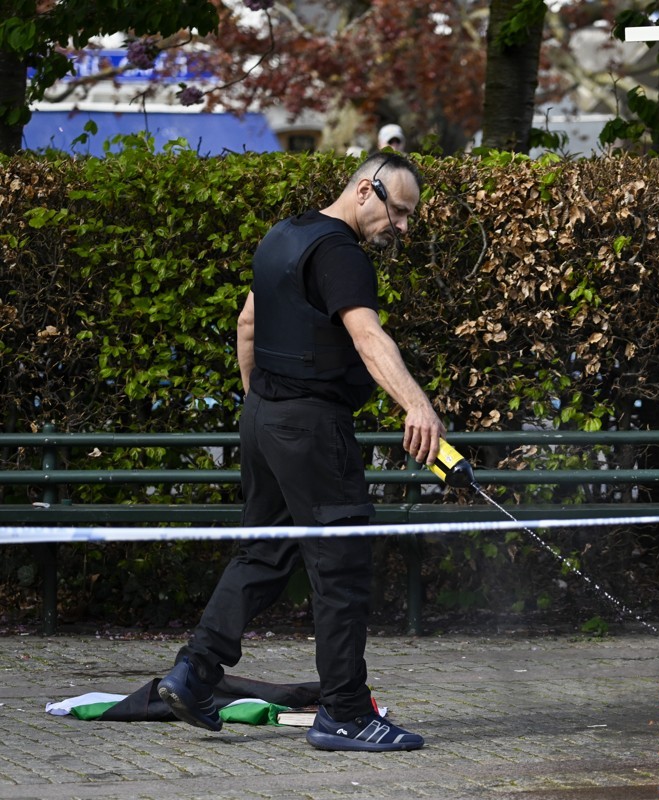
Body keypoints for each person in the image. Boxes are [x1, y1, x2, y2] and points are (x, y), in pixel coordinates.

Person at [157, 152, 446, 752]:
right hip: (313, 428)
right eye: (399, 212)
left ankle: (193, 672)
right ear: (366, 189)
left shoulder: (282, 236)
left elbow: (246, 324)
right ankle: (344, 713)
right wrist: (417, 404)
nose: (403, 228)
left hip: (264, 418)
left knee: (261, 555)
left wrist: (259, 409)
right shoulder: (340, 254)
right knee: (341, 567)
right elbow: (368, 337)